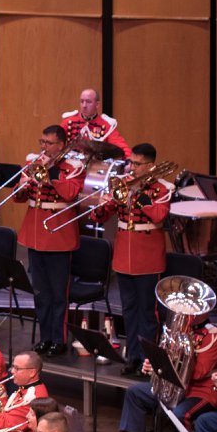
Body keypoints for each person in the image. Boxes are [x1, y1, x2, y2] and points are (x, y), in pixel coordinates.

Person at [90, 143, 174, 376]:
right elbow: (98, 217)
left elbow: (159, 215)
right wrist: (104, 203)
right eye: (131, 162)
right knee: (129, 310)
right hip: (124, 257)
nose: (132, 167)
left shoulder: (163, 188)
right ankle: (133, 357)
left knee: (148, 314)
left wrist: (139, 195)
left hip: (148, 258)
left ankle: (149, 362)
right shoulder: (123, 184)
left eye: (137, 164)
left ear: (150, 165)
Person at [11, 126, 86, 357]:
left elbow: (71, 193)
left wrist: (50, 173)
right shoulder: (34, 163)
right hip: (35, 235)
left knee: (57, 295)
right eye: (42, 141)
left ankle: (58, 340)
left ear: (61, 145)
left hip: (59, 236)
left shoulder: (74, 166)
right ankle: (45, 338)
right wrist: (24, 183)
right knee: (41, 293)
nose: (43, 147)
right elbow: (18, 196)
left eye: (48, 143)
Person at [118, 308, 217, 432]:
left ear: (205, 311)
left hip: (201, 392)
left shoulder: (212, 335)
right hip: (175, 386)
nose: (189, 312)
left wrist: (169, 367)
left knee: (180, 414)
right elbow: (164, 358)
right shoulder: (177, 331)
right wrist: (155, 366)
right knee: (135, 392)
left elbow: (200, 372)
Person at [59, 88, 130, 157]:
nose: (84, 105)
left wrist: (129, 161)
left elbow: (122, 148)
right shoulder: (69, 121)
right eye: (82, 101)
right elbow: (55, 141)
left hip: (94, 164)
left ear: (97, 105)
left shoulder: (106, 125)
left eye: (88, 102)